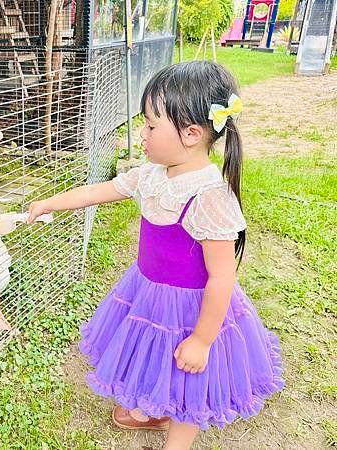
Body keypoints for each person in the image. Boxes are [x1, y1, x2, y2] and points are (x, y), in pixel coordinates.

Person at [27, 61, 284, 449]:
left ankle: (175, 442)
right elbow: (98, 192)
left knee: (186, 373)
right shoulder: (151, 174)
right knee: (151, 352)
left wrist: (201, 339)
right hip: (147, 290)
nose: (141, 133)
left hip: (191, 309)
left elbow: (222, 277)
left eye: (149, 125)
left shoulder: (208, 197)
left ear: (191, 134)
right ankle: (149, 410)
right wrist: (50, 203)